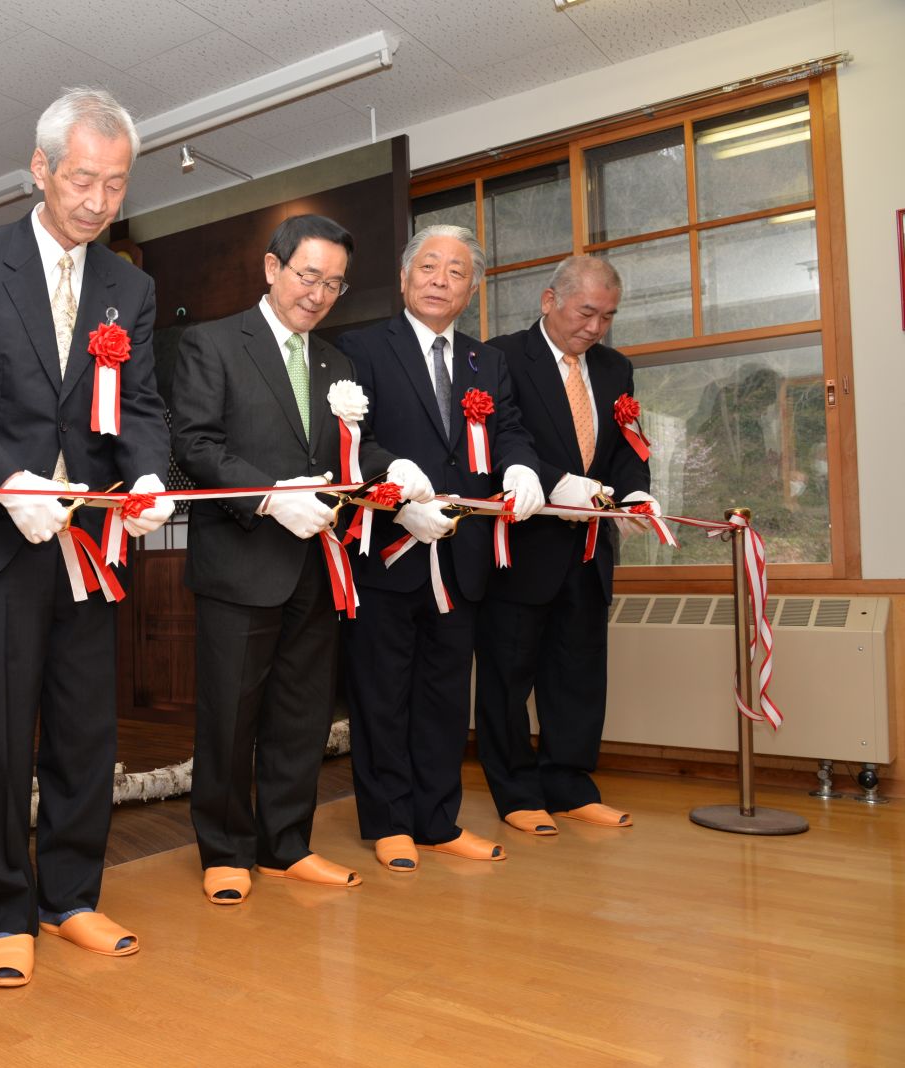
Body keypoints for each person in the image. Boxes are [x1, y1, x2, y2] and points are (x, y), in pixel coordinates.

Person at [0, 87, 172, 988]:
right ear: (40, 169)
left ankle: (72, 899)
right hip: (0, 533)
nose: (99, 201)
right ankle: (2, 911)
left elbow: (137, 403)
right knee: (2, 734)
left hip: (91, 544)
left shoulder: (128, 285)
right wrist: (10, 480)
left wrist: (147, 475)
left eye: (115, 184)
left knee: (82, 729)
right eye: (83, 180)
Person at [170, 215, 396, 905]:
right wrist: (269, 498)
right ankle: (224, 848)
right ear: (272, 269)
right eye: (308, 276)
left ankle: (286, 845)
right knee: (231, 717)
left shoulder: (338, 365)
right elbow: (195, 445)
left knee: (301, 714)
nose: (319, 294)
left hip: (316, 564)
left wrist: (399, 470)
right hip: (241, 559)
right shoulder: (211, 343)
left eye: (333, 283)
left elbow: (349, 454)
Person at [336, 224, 545, 872]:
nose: (441, 280)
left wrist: (521, 467)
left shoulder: (488, 362)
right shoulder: (361, 347)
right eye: (429, 267)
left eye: (457, 272)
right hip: (389, 552)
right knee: (383, 693)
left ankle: (438, 819)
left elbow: (507, 430)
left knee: (445, 697)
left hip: (462, 558)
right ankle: (389, 821)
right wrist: (397, 486)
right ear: (404, 277)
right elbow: (348, 441)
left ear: (472, 288)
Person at [473, 255, 657, 835]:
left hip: (588, 553)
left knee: (578, 677)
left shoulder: (615, 368)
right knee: (508, 678)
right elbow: (504, 441)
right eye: (586, 312)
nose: (595, 328)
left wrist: (636, 495)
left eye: (607, 317)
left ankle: (571, 784)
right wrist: (559, 484)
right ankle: (516, 792)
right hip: (522, 549)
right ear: (549, 300)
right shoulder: (499, 356)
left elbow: (627, 447)